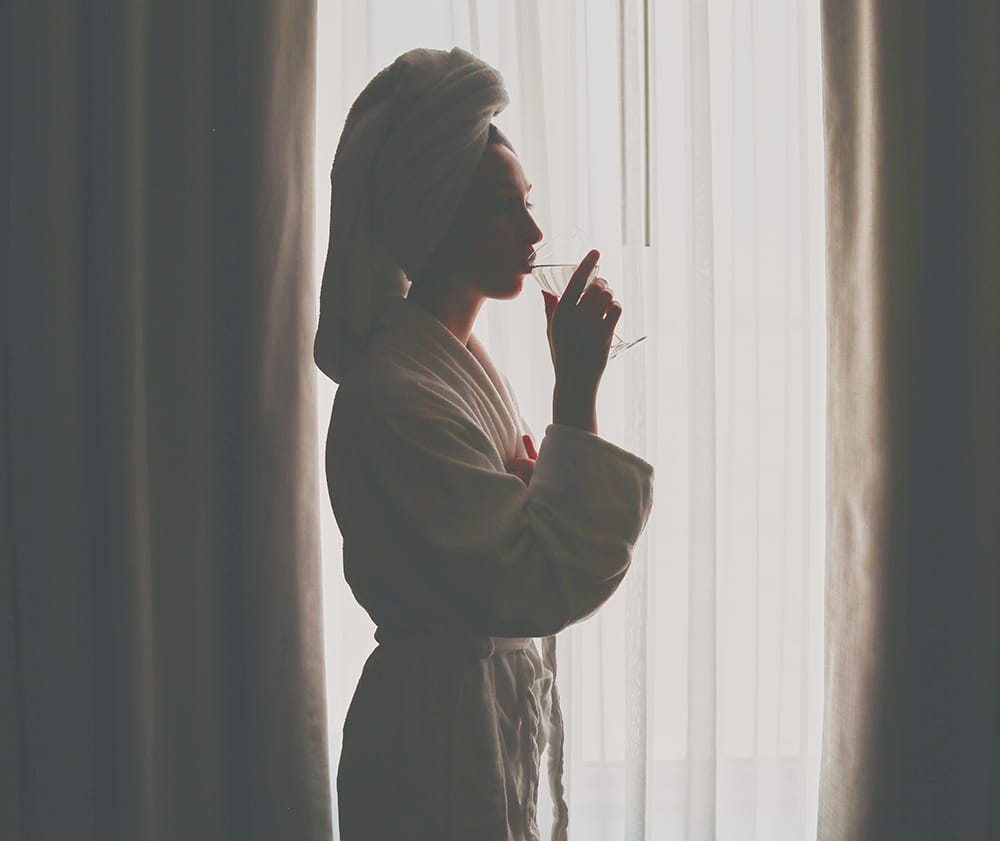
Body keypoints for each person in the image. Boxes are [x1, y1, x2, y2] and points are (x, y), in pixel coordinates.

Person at [315, 47, 654, 841]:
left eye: (529, 201)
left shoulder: (449, 363)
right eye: (505, 206)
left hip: (474, 713)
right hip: (432, 746)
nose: (534, 229)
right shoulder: (399, 391)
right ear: (438, 215)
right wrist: (574, 391)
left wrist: (534, 495)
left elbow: (510, 544)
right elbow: (536, 576)